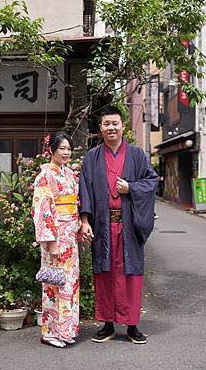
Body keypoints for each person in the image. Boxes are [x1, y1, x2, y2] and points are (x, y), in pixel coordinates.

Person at [79, 106, 159, 345]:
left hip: (128, 227)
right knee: (104, 274)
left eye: (115, 123)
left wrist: (131, 188)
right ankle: (107, 324)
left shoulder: (136, 155)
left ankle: (132, 325)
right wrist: (84, 221)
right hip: (103, 226)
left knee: (130, 275)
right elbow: (84, 190)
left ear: (123, 126)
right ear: (100, 128)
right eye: (106, 124)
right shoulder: (92, 157)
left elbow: (151, 180)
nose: (111, 127)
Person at [31, 132, 81, 348]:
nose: (66, 152)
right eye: (61, 148)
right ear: (51, 150)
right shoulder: (45, 176)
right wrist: (50, 240)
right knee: (54, 284)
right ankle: (51, 332)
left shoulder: (69, 174)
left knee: (69, 283)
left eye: (69, 149)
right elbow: (42, 209)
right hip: (55, 237)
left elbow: (75, 204)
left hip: (69, 235)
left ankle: (67, 330)